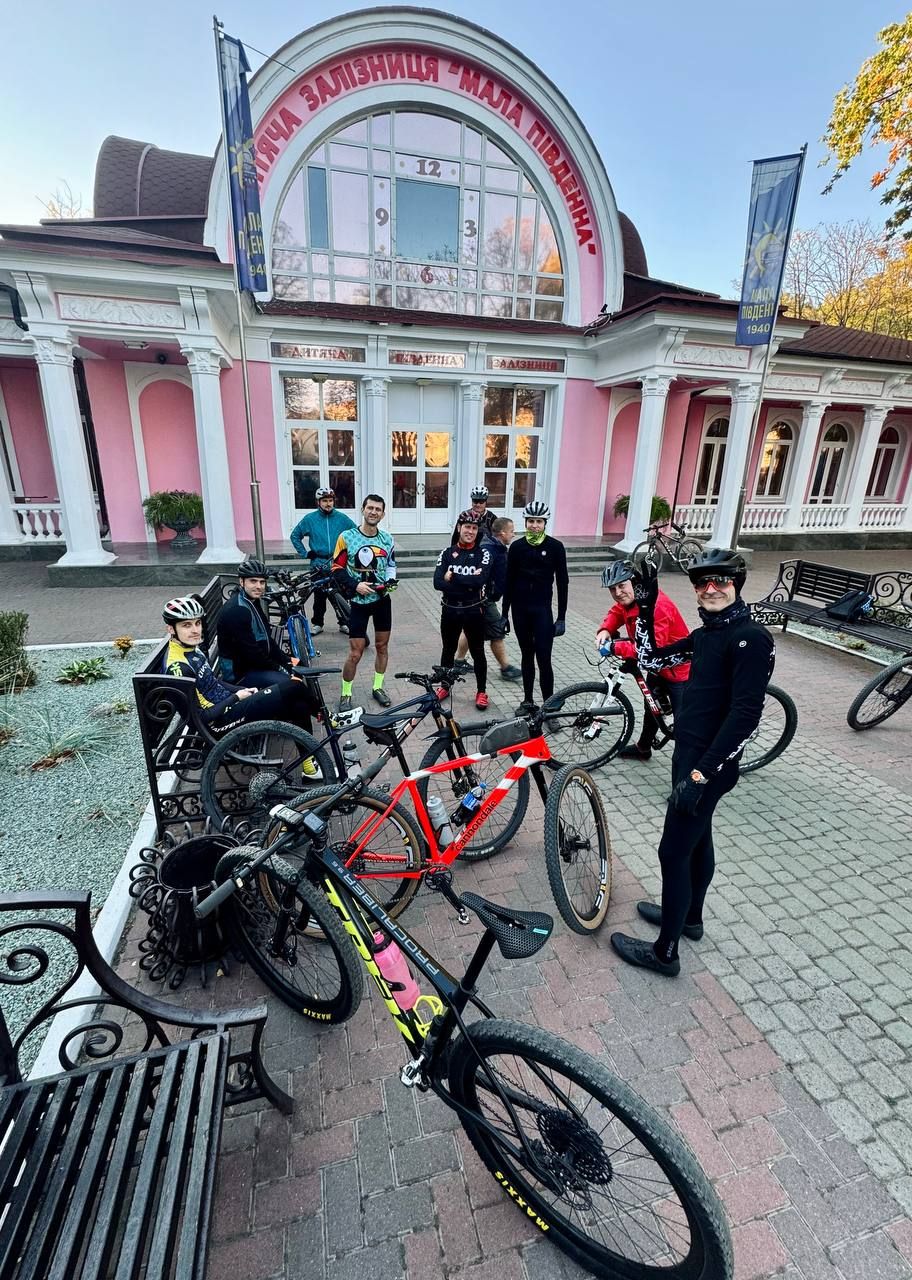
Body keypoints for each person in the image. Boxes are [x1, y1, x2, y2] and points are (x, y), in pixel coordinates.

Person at [610, 549, 775, 978]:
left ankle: (665, 953)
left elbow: (746, 716)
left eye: (721, 580)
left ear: (737, 584)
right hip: (689, 755)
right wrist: (645, 608)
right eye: (702, 582)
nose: (711, 588)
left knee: (672, 852)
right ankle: (690, 919)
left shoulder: (751, 638)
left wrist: (701, 776)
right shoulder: (706, 634)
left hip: (707, 766)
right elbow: (652, 659)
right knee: (698, 842)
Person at [162, 596, 319, 737]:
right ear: (171, 629)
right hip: (218, 724)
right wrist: (236, 697)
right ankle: (324, 715)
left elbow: (213, 683)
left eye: (197, 623)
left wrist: (243, 690)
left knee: (298, 704)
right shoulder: (179, 669)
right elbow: (199, 719)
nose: (195, 630)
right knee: (293, 686)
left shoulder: (191, 650)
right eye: (186, 625)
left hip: (230, 706)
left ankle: (309, 758)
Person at [596, 560, 691, 759]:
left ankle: (693, 766)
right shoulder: (634, 598)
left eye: (621, 585)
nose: (617, 592)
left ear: (634, 582)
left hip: (679, 671)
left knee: (686, 726)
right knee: (652, 707)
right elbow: (617, 611)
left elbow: (650, 650)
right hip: (657, 668)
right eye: (612, 589)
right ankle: (643, 748)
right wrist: (606, 629)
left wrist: (614, 647)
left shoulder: (656, 606)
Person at [500, 500, 569, 714]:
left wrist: (561, 617)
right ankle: (528, 701)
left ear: (545, 523)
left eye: (539, 521)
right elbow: (509, 581)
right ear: (526, 522)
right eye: (531, 521)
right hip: (520, 610)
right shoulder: (517, 547)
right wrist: (504, 614)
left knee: (544, 658)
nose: (535, 526)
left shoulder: (555, 547)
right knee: (527, 656)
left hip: (542, 611)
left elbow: (563, 583)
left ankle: (549, 707)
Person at [332, 493, 397, 711]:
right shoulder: (347, 537)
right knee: (355, 652)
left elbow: (391, 565)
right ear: (363, 509)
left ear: (383, 514)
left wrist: (390, 581)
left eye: (378, 509)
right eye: (370, 508)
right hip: (358, 602)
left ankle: (378, 687)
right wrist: (355, 585)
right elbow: (336, 568)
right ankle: (346, 693)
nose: (373, 512)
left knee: (382, 646)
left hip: (382, 601)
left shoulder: (387, 538)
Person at [434, 510, 493, 710]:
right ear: (459, 527)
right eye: (467, 527)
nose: (470, 531)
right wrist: (467, 582)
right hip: (450, 610)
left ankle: (481, 691)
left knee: (478, 652)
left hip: (474, 611)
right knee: (448, 650)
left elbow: (479, 581)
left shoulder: (483, 554)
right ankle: (445, 686)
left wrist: (454, 577)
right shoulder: (447, 552)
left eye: (474, 528)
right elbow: (437, 582)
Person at [455, 516, 521, 682]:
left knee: (470, 629)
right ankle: (506, 668)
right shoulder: (489, 550)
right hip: (484, 600)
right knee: (496, 632)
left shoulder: (497, 547)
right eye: (512, 531)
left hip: (483, 598)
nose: (514, 534)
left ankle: (459, 661)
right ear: (503, 533)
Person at [217, 558, 297, 688]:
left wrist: (287, 660)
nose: (258, 586)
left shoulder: (251, 601)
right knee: (294, 684)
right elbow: (251, 653)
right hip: (240, 674)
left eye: (262, 582)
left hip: (255, 664)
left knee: (300, 667)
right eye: (253, 581)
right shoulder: (237, 610)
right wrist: (279, 667)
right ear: (242, 581)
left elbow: (267, 639)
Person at [288, 487, 356, 634]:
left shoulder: (342, 518)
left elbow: (355, 534)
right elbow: (295, 536)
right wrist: (305, 553)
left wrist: (349, 553)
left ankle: (343, 623)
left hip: (337, 563)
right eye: (324, 501)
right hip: (318, 564)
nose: (328, 503)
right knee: (319, 597)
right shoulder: (310, 519)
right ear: (318, 502)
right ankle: (317, 623)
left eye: (330, 500)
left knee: (340, 596)